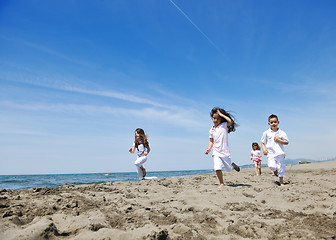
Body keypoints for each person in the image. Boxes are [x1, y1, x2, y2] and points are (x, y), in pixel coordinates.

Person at [205, 107, 240, 189]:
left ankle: (232, 165)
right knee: (217, 167)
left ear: (221, 119)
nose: (216, 120)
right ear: (212, 118)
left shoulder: (224, 126)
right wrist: (209, 149)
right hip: (216, 151)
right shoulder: (211, 130)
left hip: (225, 151)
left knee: (229, 169)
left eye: (218, 118)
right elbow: (211, 141)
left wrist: (222, 115)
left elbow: (230, 122)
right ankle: (221, 183)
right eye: (214, 118)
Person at [261, 114, 289, 186]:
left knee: (281, 168)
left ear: (278, 122)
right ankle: (275, 171)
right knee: (272, 166)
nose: (273, 124)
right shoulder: (266, 133)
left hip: (280, 153)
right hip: (270, 153)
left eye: (275, 122)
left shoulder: (281, 132)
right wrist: (264, 149)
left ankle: (281, 182)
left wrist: (279, 140)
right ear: (269, 123)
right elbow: (262, 142)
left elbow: (286, 142)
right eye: (271, 122)